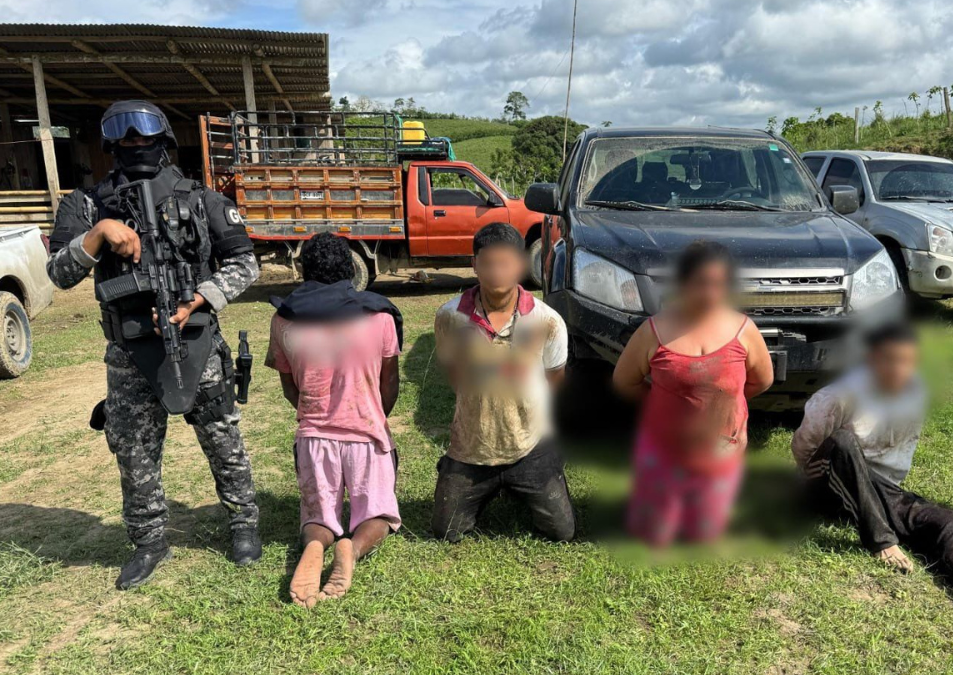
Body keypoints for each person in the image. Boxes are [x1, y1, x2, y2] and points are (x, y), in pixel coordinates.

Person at [45, 100, 262, 590]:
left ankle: (243, 525)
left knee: (223, 438)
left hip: (198, 339)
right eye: (125, 141)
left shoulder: (200, 197)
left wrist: (202, 297)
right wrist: (99, 236)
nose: (135, 146)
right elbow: (58, 273)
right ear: (110, 146)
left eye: (144, 139)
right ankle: (149, 540)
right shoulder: (85, 204)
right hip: (129, 351)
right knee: (134, 450)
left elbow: (244, 262)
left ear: (162, 141)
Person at [792, 324, 953, 617]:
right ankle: (880, 540)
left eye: (907, 361)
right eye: (889, 359)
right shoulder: (838, 396)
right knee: (842, 442)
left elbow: (896, 460)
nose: (899, 369)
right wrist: (855, 484)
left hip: (881, 491)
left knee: (947, 521)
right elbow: (806, 452)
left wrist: (885, 499)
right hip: (825, 486)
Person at [265, 233, 403, 608]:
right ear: (348, 268)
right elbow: (389, 383)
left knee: (318, 518)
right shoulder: (379, 317)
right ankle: (352, 548)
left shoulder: (283, 320)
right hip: (366, 433)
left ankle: (315, 544)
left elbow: (289, 388)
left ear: (304, 270)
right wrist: (375, 416)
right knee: (379, 514)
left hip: (313, 438)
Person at [613, 240, 773, 546]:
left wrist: (725, 405)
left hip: (722, 448)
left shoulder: (744, 329)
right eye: (701, 283)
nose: (710, 293)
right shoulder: (653, 330)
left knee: (702, 534)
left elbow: (761, 381)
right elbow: (625, 381)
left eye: (719, 284)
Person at [431, 222, 575, 542]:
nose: (498, 272)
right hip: (471, 447)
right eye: (489, 263)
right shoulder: (450, 317)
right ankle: (482, 484)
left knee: (562, 531)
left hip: (530, 445)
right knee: (446, 531)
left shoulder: (547, 320)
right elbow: (454, 373)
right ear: (475, 265)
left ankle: (527, 476)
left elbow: (555, 377)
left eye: (506, 262)